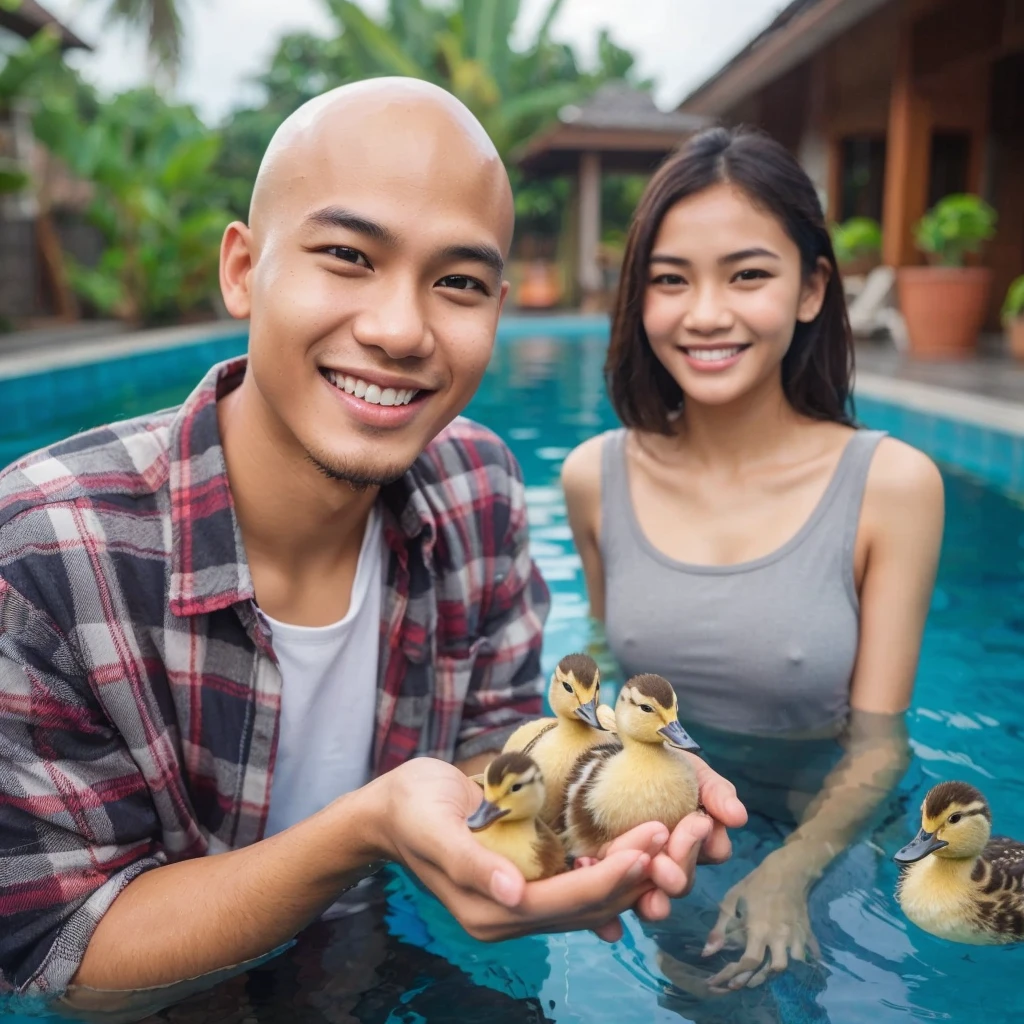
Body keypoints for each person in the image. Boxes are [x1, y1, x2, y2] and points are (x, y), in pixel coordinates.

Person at [0, 80, 746, 1019]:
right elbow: (65, 954)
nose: (400, 329)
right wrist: (366, 832)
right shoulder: (44, 554)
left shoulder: (477, 482)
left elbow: (490, 741)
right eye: (347, 256)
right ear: (243, 268)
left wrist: (588, 795)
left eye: (459, 283)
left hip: (384, 949)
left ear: (498, 309)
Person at [561, 126, 943, 992]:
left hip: (826, 813)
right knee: (699, 976)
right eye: (670, 280)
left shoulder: (892, 485)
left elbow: (880, 745)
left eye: (747, 274)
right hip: (673, 806)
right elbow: (608, 675)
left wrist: (789, 871)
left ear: (810, 289)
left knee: (788, 976)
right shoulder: (595, 477)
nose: (704, 313)